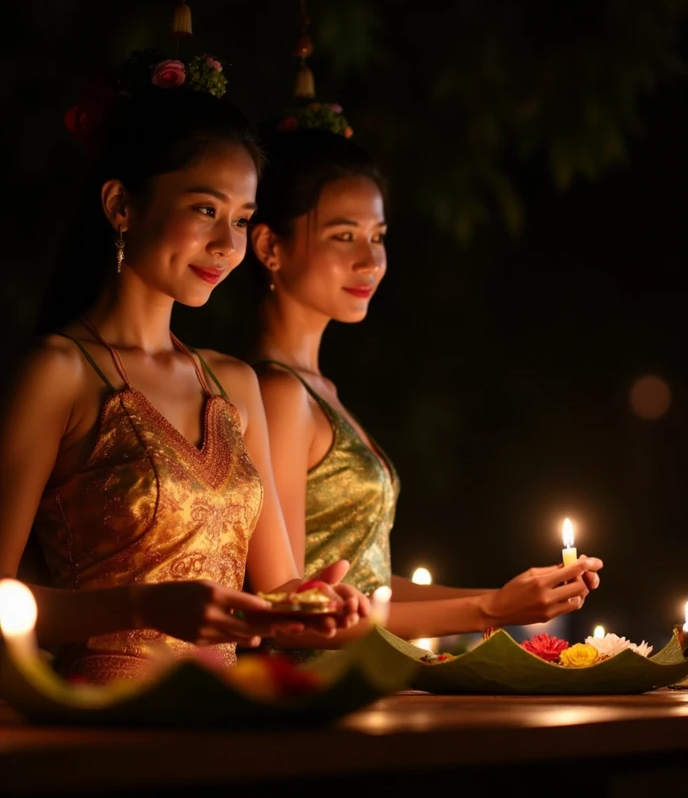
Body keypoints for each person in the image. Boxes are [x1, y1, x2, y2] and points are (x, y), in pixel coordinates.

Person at [0, 69, 368, 685]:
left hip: (220, 719)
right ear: (121, 205)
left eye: (243, 218)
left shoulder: (233, 383)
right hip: (98, 727)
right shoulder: (59, 372)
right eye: (205, 209)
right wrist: (145, 606)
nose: (227, 243)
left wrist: (314, 606)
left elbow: (276, 591)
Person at [248, 124, 603, 643]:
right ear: (268, 246)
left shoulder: (315, 389)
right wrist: (486, 609)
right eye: (343, 236)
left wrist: (508, 601)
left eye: (378, 237)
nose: (370, 260)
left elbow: (367, 583)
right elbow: (291, 605)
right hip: (311, 697)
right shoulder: (278, 394)